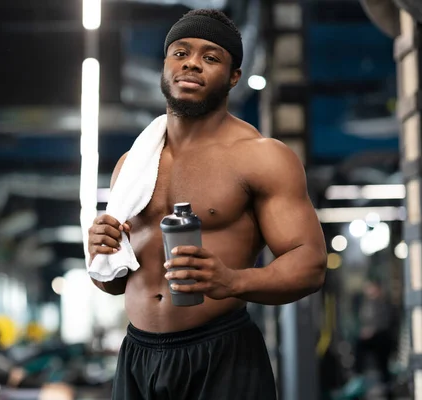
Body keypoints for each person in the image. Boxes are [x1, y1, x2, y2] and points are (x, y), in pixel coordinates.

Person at [87, 8, 327, 400]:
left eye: (210, 57)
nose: (192, 64)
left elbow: (310, 265)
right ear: (165, 65)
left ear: (234, 77)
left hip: (221, 352)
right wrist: (100, 252)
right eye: (180, 53)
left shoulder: (261, 157)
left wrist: (232, 281)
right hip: (138, 358)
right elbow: (112, 283)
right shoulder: (132, 165)